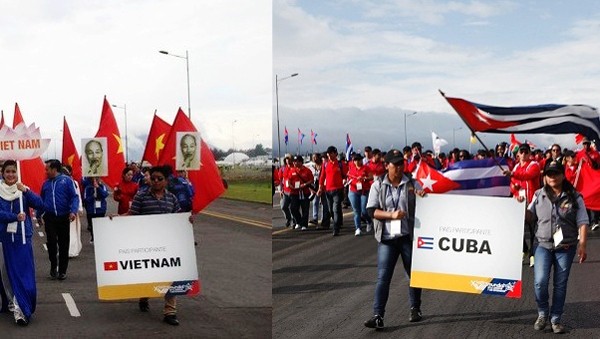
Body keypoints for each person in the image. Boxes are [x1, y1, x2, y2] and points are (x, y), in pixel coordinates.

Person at [364, 149, 425, 330]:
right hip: (387, 238)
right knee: (383, 278)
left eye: (401, 163)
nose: (399, 167)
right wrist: (391, 215)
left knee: (413, 275)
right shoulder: (378, 185)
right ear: (387, 165)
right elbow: (371, 210)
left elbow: (428, 199)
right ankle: (378, 315)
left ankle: (415, 308)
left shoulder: (412, 183)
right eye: (395, 164)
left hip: (407, 237)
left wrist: (423, 196)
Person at [526, 160, 588, 334]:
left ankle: (555, 319)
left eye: (556, 173)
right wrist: (520, 206)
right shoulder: (538, 195)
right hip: (542, 245)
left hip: (565, 247)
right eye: (549, 174)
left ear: (563, 175)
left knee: (560, 285)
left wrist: (583, 244)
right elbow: (529, 217)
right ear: (544, 177)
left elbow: (583, 221)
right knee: (540, 282)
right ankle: (542, 313)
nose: (552, 177)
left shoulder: (575, 197)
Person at [127, 165, 193, 326]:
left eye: (159, 179)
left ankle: (170, 311)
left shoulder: (172, 199)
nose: (155, 181)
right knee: (148, 275)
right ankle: (144, 295)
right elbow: (132, 216)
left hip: (167, 244)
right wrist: (115, 220)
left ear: (166, 180)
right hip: (146, 243)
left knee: (169, 276)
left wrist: (186, 221)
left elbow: (177, 218)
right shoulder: (141, 197)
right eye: (153, 178)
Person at [0, 160, 44, 326]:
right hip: (4, 239)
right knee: (7, 275)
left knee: (23, 274)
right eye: (7, 172)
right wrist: (13, 217)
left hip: (22, 238)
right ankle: (11, 303)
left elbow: (40, 204)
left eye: (13, 171)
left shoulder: (22, 190)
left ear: (17, 173)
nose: (11, 175)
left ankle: (22, 310)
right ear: (3, 174)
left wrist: (26, 191)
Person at [39, 159, 79, 281]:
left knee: (63, 244)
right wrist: (38, 215)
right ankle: (53, 265)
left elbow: (74, 197)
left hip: (63, 217)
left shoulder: (67, 181)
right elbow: (41, 200)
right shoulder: (45, 184)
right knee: (51, 242)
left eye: (47, 169)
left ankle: (62, 271)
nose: (45, 171)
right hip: (49, 217)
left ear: (54, 169)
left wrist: (73, 211)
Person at [317, 146, 348, 236]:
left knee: (336, 209)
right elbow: (322, 177)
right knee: (331, 210)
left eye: (331, 153)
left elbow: (346, 174)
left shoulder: (340, 164)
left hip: (338, 190)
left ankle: (336, 228)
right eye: (328, 153)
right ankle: (337, 222)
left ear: (335, 154)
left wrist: (345, 179)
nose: (329, 155)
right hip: (328, 190)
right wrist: (320, 187)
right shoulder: (325, 164)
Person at [347, 153, 372, 236]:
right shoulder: (351, 170)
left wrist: (365, 178)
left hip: (364, 191)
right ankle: (358, 228)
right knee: (356, 211)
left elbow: (371, 177)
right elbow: (348, 178)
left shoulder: (366, 168)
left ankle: (369, 221)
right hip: (353, 191)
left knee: (364, 210)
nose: (357, 162)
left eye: (359, 160)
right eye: (355, 160)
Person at [62, 165, 83, 258]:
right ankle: (67, 249)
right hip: (66, 210)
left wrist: (78, 208)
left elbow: (77, 196)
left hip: (71, 210)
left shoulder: (74, 183)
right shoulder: (71, 182)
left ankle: (71, 250)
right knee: (66, 231)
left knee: (71, 231)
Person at [288, 155, 313, 231]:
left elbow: (311, 180)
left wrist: (305, 184)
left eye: (296, 161)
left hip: (305, 192)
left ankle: (304, 224)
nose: (295, 163)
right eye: (294, 161)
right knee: (293, 208)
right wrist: (291, 186)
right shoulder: (292, 170)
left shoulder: (307, 170)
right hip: (294, 192)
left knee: (305, 209)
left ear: (301, 162)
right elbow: (288, 181)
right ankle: (299, 221)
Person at [81, 177, 108, 244]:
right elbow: (85, 199)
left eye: (97, 178)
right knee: (92, 225)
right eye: (94, 179)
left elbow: (104, 194)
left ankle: (99, 237)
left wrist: (98, 188)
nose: (96, 180)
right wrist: (92, 196)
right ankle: (93, 236)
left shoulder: (102, 186)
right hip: (91, 210)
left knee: (99, 224)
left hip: (100, 210)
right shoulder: (88, 188)